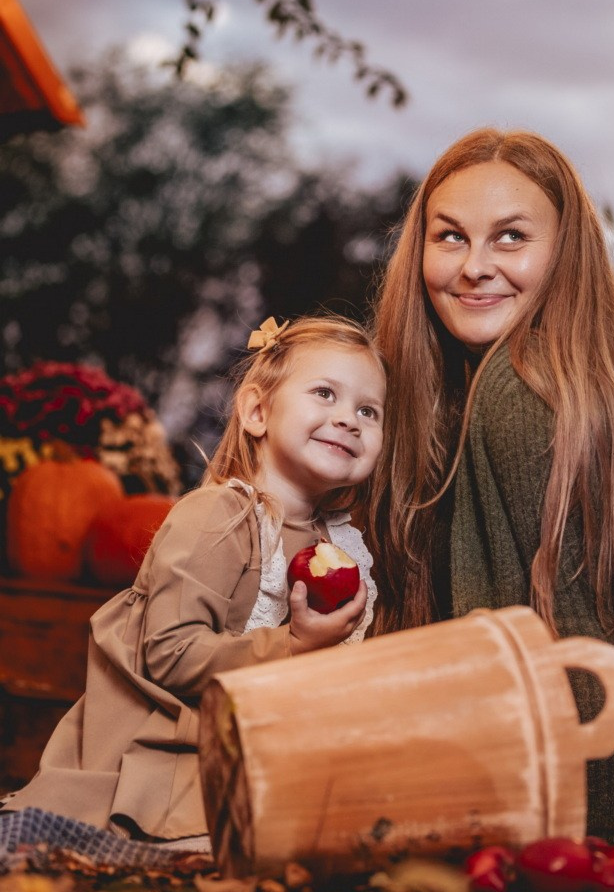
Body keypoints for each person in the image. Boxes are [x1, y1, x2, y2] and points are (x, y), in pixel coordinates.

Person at [369, 129, 614, 842]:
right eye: (451, 237)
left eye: (511, 238)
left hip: (530, 827)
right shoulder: (561, 384)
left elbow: (579, 651)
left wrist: (597, 855)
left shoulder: (514, 393)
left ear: (565, 254)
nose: (474, 268)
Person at [2, 314, 385, 843]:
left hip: (274, 747)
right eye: (325, 393)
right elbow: (170, 653)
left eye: (369, 410)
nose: (349, 419)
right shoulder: (217, 516)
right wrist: (293, 646)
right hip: (176, 749)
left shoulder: (341, 547)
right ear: (256, 411)